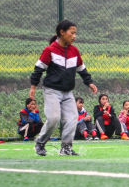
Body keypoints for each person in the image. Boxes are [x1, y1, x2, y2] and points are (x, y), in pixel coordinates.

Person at [29, 19, 98, 156]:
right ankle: (40, 143)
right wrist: (33, 87)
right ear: (62, 32)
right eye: (72, 33)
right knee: (54, 118)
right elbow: (38, 69)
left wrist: (89, 82)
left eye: (75, 33)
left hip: (68, 93)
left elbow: (81, 69)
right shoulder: (50, 51)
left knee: (73, 119)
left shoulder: (74, 51)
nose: (74, 36)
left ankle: (66, 148)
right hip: (51, 91)